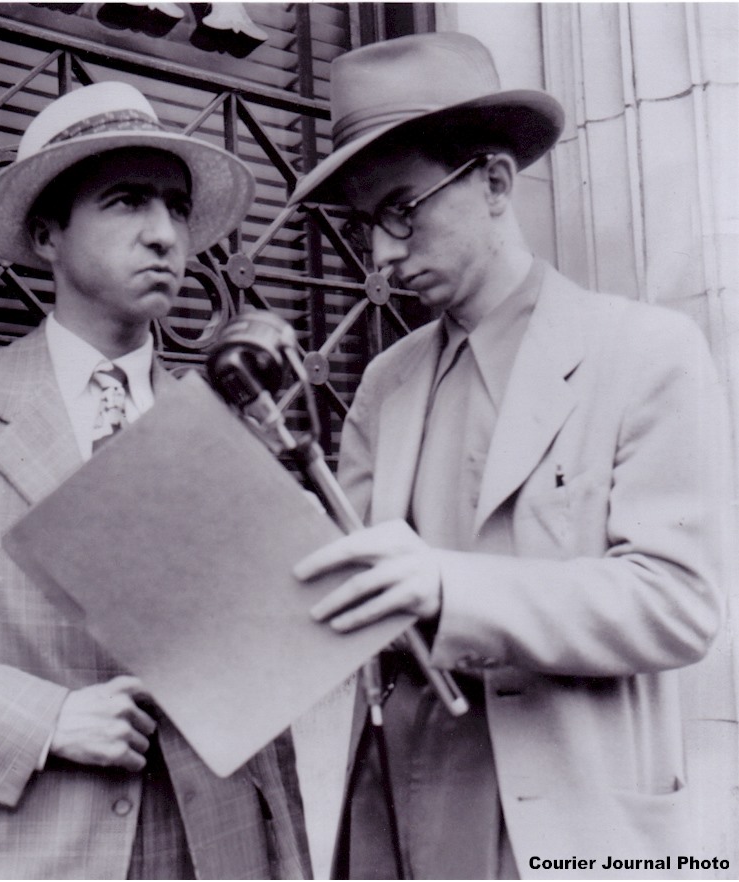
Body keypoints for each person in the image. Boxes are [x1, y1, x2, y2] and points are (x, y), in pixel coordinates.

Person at [289, 32, 727, 879]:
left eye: (401, 210)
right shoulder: (386, 381)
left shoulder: (645, 350)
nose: (379, 256)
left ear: (494, 182)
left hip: (575, 827)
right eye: (364, 224)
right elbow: (344, 602)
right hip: (395, 818)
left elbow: (679, 603)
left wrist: (452, 587)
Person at [0, 81, 311, 880]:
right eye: (127, 202)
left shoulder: (229, 420)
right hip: (15, 848)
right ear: (46, 236)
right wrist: (47, 719)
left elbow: (267, 684)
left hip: (214, 847)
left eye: (176, 209)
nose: (164, 235)